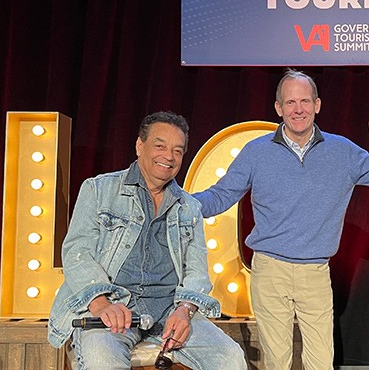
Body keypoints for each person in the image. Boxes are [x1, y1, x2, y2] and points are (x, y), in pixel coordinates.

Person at [192, 69, 369, 370]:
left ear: (317, 104)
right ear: (278, 108)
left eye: (305, 101)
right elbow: (221, 195)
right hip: (270, 270)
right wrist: (181, 203)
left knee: (321, 362)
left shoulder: (342, 151)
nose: (299, 109)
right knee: (277, 361)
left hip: (316, 271)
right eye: (290, 102)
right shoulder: (256, 152)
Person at [47, 111, 247, 370]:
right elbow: (77, 252)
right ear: (140, 146)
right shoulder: (98, 190)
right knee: (102, 362)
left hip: (168, 310)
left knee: (230, 358)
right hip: (113, 306)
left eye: (177, 150)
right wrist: (101, 303)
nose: (169, 156)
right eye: (160, 146)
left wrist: (185, 310)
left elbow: (197, 270)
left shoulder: (189, 207)